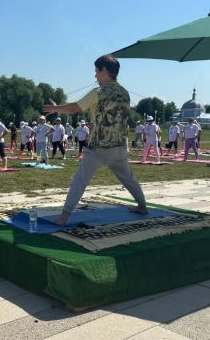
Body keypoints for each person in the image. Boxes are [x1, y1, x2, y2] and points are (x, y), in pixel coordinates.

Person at [42, 55, 148, 225]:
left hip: (99, 146)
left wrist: (56, 108)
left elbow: (75, 108)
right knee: (128, 178)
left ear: (104, 71)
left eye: (96, 71)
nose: (95, 76)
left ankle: (64, 216)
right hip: (120, 145)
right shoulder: (125, 93)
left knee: (81, 179)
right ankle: (142, 206)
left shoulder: (98, 92)